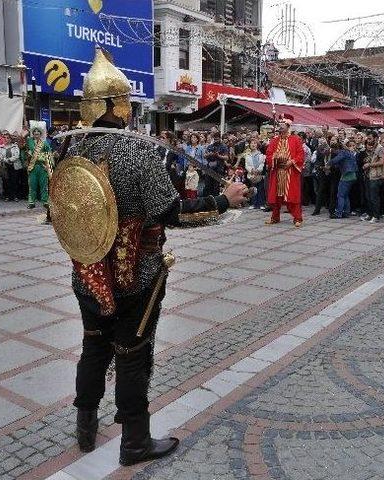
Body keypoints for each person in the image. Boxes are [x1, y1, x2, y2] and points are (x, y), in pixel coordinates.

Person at [56, 48, 249, 467]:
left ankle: (85, 429)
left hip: (87, 274)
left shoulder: (71, 153)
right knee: (131, 353)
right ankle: (135, 442)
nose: (128, 107)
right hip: (134, 276)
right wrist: (225, 200)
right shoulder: (138, 153)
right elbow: (171, 213)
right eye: (124, 100)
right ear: (114, 106)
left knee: (92, 347)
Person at [264, 114, 305, 227]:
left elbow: (301, 155)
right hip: (277, 171)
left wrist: (291, 162)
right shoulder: (274, 140)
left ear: (288, 126)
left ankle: (298, 218)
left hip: (290, 172)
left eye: (282, 124)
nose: (280, 126)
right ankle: (275, 217)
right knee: (276, 196)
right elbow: (268, 154)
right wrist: (274, 158)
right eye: (279, 124)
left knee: (292, 196)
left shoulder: (296, 140)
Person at [26, 121, 52, 209]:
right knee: (32, 185)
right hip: (33, 167)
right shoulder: (29, 142)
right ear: (32, 134)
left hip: (42, 167)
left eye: (38, 133)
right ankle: (31, 202)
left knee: (44, 185)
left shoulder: (45, 143)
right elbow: (25, 152)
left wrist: (43, 159)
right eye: (34, 133)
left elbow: (49, 155)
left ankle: (45, 201)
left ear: (40, 134)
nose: (36, 134)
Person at [330, 140, 358, 219]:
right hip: (353, 175)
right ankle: (346, 212)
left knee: (340, 195)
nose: (334, 152)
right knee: (345, 195)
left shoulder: (343, 152)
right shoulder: (349, 153)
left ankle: (338, 213)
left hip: (346, 175)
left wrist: (328, 164)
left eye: (334, 150)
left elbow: (335, 160)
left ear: (337, 149)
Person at [0, 131, 22, 202]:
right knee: (5, 181)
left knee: (14, 181)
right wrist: (6, 161)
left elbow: (17, 156)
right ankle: (7, 196)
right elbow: (0, 157)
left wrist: (9, 160)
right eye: (4, 138)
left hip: (14, 166)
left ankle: (15, 196)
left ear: (10, 139)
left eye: (8, 138)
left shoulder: (15, 146)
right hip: (5, 166)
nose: (6, 139)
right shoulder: (0, 147)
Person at [244, 138, 266, 209]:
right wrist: (251, 170)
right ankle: (253, 204)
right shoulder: (247, 155)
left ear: (257, 145)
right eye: (252, 143)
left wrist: (258, 170)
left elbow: (262, 164)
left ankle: (261, 204)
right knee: (252, 189)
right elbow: (247, 165)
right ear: (249, 145)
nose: (253, 145)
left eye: (255, 143)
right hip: (251, 174)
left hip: (259, 174)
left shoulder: (261, 155)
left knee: (260, 189)